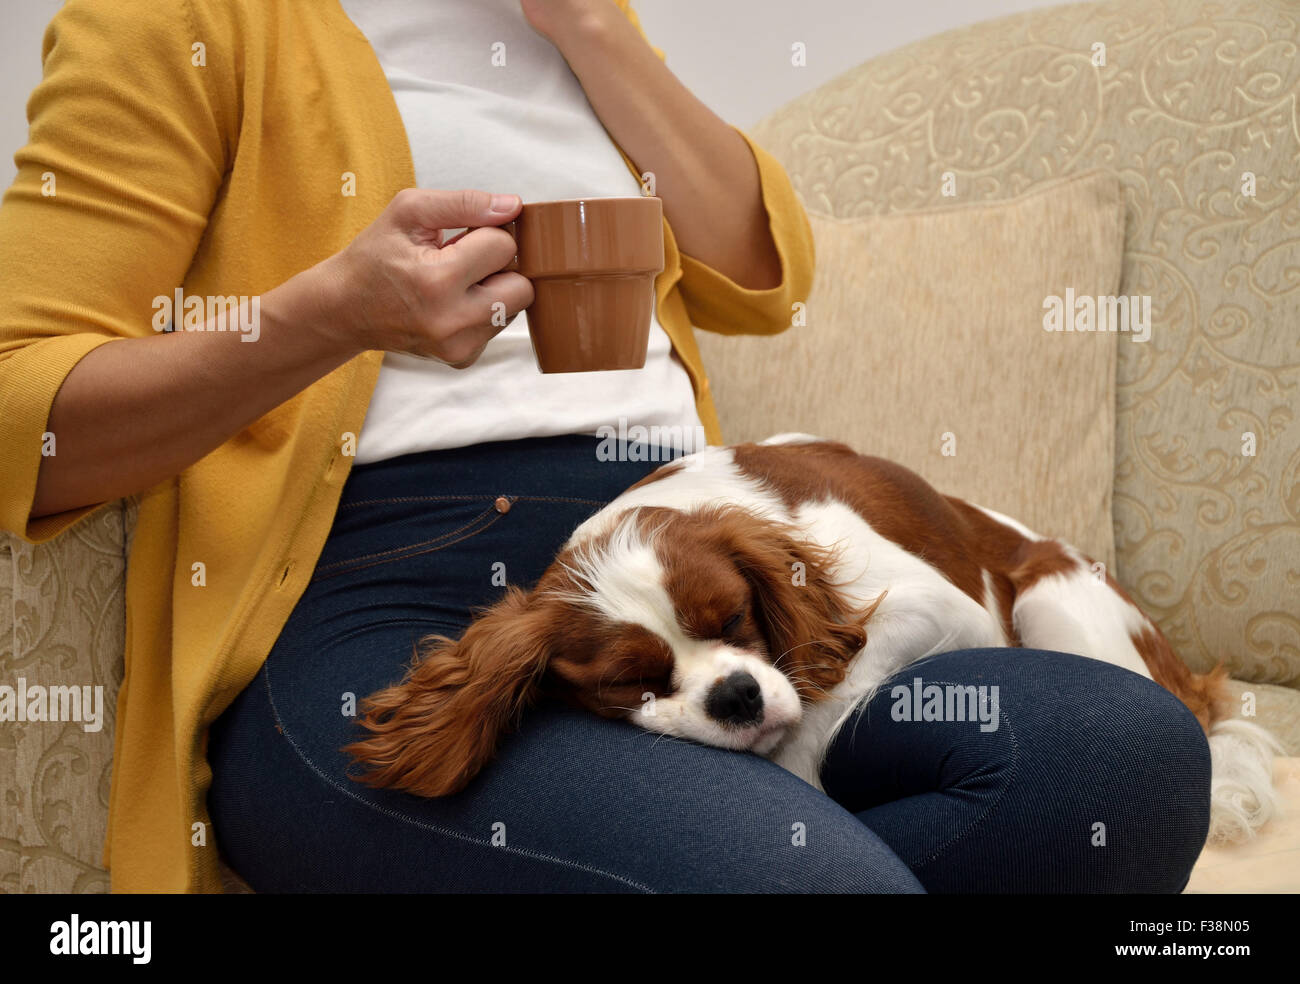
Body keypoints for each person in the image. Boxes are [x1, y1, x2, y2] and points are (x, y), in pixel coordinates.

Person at [0, 0, 1210, 893]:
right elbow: (24, 410)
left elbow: (760, 268)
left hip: (680, 560)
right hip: (389, 605)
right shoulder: (176, 23)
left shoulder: (571, 22)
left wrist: (590, 28)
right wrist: (330, 317)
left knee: (1124, 760)